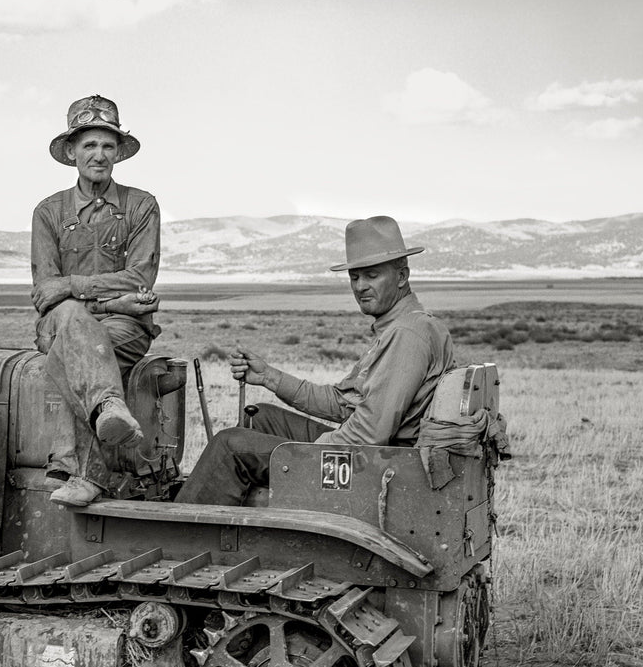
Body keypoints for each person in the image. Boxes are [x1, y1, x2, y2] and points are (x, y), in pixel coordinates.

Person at [176, 216, 455, 506]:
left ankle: (178, 533)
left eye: (372, 275)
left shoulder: (407, 335)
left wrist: (305, 454)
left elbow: (370, 435)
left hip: (380, 467)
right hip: (372, 456)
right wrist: (269, 377)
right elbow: (342, 402)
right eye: (355, 277)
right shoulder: (398, 327)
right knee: (258, 417)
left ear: (401, 276)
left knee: (229, 445)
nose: (360, 287)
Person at [31, 94, 162, 508]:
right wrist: (111, 302)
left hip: (125, 327)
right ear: (72, 152)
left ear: (119, 153)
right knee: (70, 320)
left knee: (72, 346)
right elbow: (44, 294)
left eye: (108, 145)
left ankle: (70, 463)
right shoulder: (48, 212)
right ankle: (108, 410)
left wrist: (72, 287)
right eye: (89, 145)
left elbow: (139, 278)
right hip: (71, 321)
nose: (99, 155)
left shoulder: (142, 206)